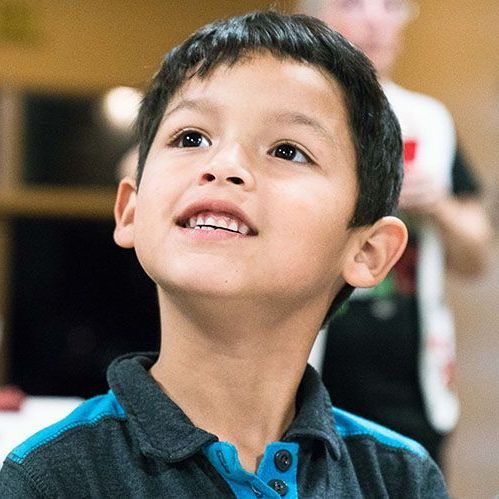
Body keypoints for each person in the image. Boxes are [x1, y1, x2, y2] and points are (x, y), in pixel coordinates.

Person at [0, 12, 449, 497]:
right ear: (130, 209)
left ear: (367, 252)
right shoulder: (50, 478)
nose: (223, 165)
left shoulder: (400, 479)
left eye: (287, 150)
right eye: (190, 138)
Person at [300, 0, 492, 467]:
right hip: (304, 364)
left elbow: (477, 257)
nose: (374, 20)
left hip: (411, 379)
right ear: (314, 17)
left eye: (390, 6)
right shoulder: (294, 114)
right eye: (352, 3)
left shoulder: (428, 120)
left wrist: (438, 205)